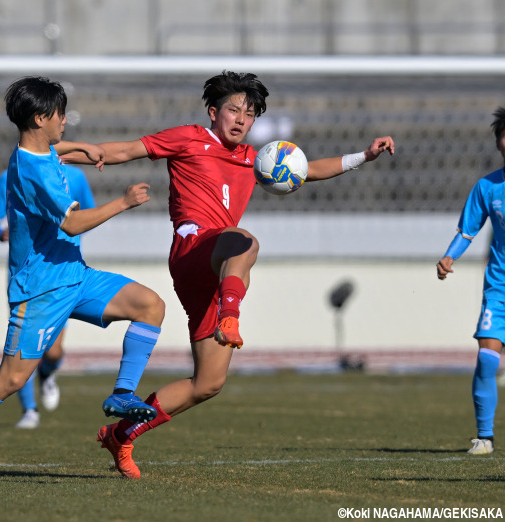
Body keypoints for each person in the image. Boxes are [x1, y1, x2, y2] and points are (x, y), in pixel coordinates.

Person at [62, 70, 395, 478]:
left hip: (216, 269)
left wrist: (364, 156)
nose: (241, 119)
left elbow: (307, 169)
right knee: (245, 240)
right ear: (213, 111)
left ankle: (121, 435)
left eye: (250, 114)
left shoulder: (254, 160)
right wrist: (52, 153)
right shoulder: (188, 138)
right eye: (234, 110)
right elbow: (121, 151)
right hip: (193, 250)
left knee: (208, 382)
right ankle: (230, 315)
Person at [0, 76, 165, 485]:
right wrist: (122, 202)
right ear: (40, 118)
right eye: (60, 115)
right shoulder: (31, 171)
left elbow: (56, 151)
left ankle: (122, 393)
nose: (65, 121)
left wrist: (82, 149)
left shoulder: (38, 152)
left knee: (150, 305)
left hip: (75, 278)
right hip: (39, 292)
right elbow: (72, 224)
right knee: (11, 379)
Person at [0, 165, 96, 429]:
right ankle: (29, 411)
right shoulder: (10, 175)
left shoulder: (75, 177)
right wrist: (1, 232)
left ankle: (47, 374)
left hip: (62, 272)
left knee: (54, 350)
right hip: (26, 273)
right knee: (25, 347)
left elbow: (89, 213)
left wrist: (68, 229)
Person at [436, 106, 505, 456]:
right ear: (498, 142)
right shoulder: (488, 187)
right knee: (487, 359)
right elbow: (468, 231)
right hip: (499, 288)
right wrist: (450, 256)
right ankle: (485, 437)